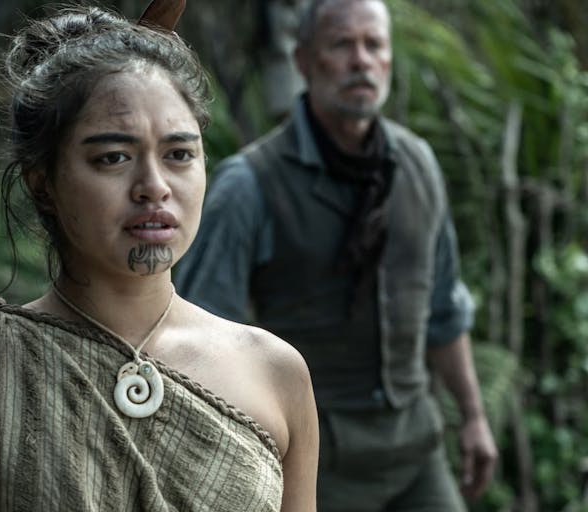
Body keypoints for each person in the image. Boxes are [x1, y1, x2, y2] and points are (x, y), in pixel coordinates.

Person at [0, 2, 318, 511]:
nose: (154, 187)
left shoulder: (273, 372)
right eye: (113, 157)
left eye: (179, 154)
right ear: (42, 184)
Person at [174, 0, 498, 510]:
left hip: (416, 451)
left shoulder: (417, 166)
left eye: (374, 45)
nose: (361, 60)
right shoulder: (250, 185)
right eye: (342, 44)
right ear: (303, 60)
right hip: (314, 460)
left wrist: (475, 417)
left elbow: (444, 308)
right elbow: (200, 341)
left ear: (390, 59)